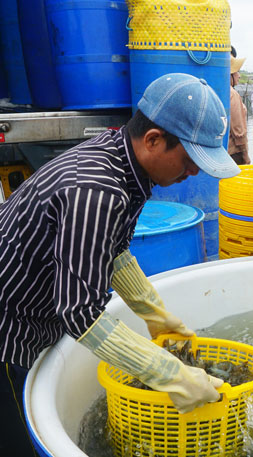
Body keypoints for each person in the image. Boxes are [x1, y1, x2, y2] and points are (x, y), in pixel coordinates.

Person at [0, 73, 239, 455]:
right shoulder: (96, 190)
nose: (194, 172)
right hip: (10, 332)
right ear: (154, 140)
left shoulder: (124, 163)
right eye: (191, 159)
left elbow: (110, 250)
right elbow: (79, 313)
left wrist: (154, 311)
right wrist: (170, 373)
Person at [229, 46, 250, 165]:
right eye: (237, 72)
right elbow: (239, 131)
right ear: (231, 74)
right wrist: (246, 155)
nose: (239, 75)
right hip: (234, 153)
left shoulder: (219, 90)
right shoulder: (232, 94)